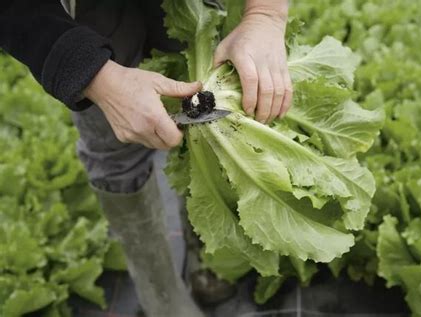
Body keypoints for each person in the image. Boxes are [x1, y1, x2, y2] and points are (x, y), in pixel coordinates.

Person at [0, 0, 292, 316]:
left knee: (206, 122)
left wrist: (266, 14)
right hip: (86, 13)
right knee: (115, 150)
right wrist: (93, 74)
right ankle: (161, 296)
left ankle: (203, 254)